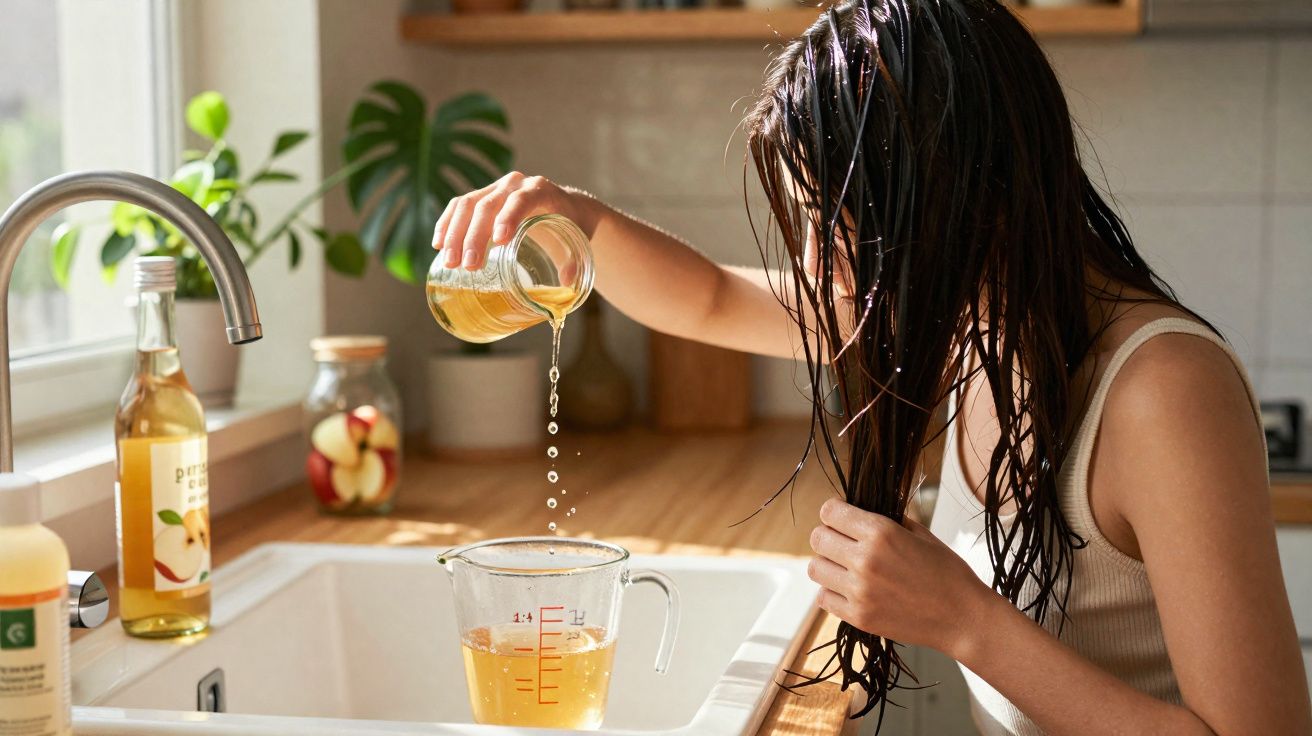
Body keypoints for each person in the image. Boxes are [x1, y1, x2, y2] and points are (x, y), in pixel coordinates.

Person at [429, 0, 1311, 732]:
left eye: (842, 224)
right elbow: (708, 300)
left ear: (956, 192)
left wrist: (966, 622)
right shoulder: (965, 316)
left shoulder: (1162, 393)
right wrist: (577, 215)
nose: (819, 268)